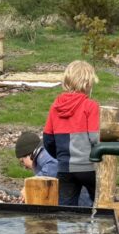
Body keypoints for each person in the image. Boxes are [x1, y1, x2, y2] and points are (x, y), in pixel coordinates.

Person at [43, 60, 100, 207]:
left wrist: (61, 157)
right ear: (88, 83)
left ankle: (68, 230)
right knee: (101, 203)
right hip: (88, 166)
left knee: (65, 211)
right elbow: (95, 139)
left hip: (65, 168)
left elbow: (48, 140)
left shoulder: (55, 107)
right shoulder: (90, 106)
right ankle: (100, 229)